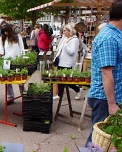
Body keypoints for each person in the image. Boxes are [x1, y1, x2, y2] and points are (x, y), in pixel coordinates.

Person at [85, 0, 122, 146]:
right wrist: (112, 104)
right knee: (98, 140)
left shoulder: (115, 35)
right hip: (104, 99)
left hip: (108, 97)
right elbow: (106, 74)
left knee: (102, 139)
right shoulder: (109, 38)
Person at [52, 24, 82, 101]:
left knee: (67, 80)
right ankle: (59, 94)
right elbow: (60, 49)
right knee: (60, 79)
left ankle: (77, 90)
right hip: (61, 62)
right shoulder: (65, 38)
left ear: (70, 31)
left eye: (65, 30)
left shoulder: (74, 40)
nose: (63, 32)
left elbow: (71, 52)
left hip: (67, 63)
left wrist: (65, 45)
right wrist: (56, 58)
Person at [0, 23, 24, 103]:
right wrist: (1, 53)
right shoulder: (2, 38)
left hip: (17, 61)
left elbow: (22, 49)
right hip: (7, 61)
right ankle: (10, 97)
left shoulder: (18, 37)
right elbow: (1, 49)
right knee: (8, 81)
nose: (6, 33)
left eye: (7, 31)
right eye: (4, 32)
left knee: (20, 81)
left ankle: (24, 96)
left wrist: (22, 59)